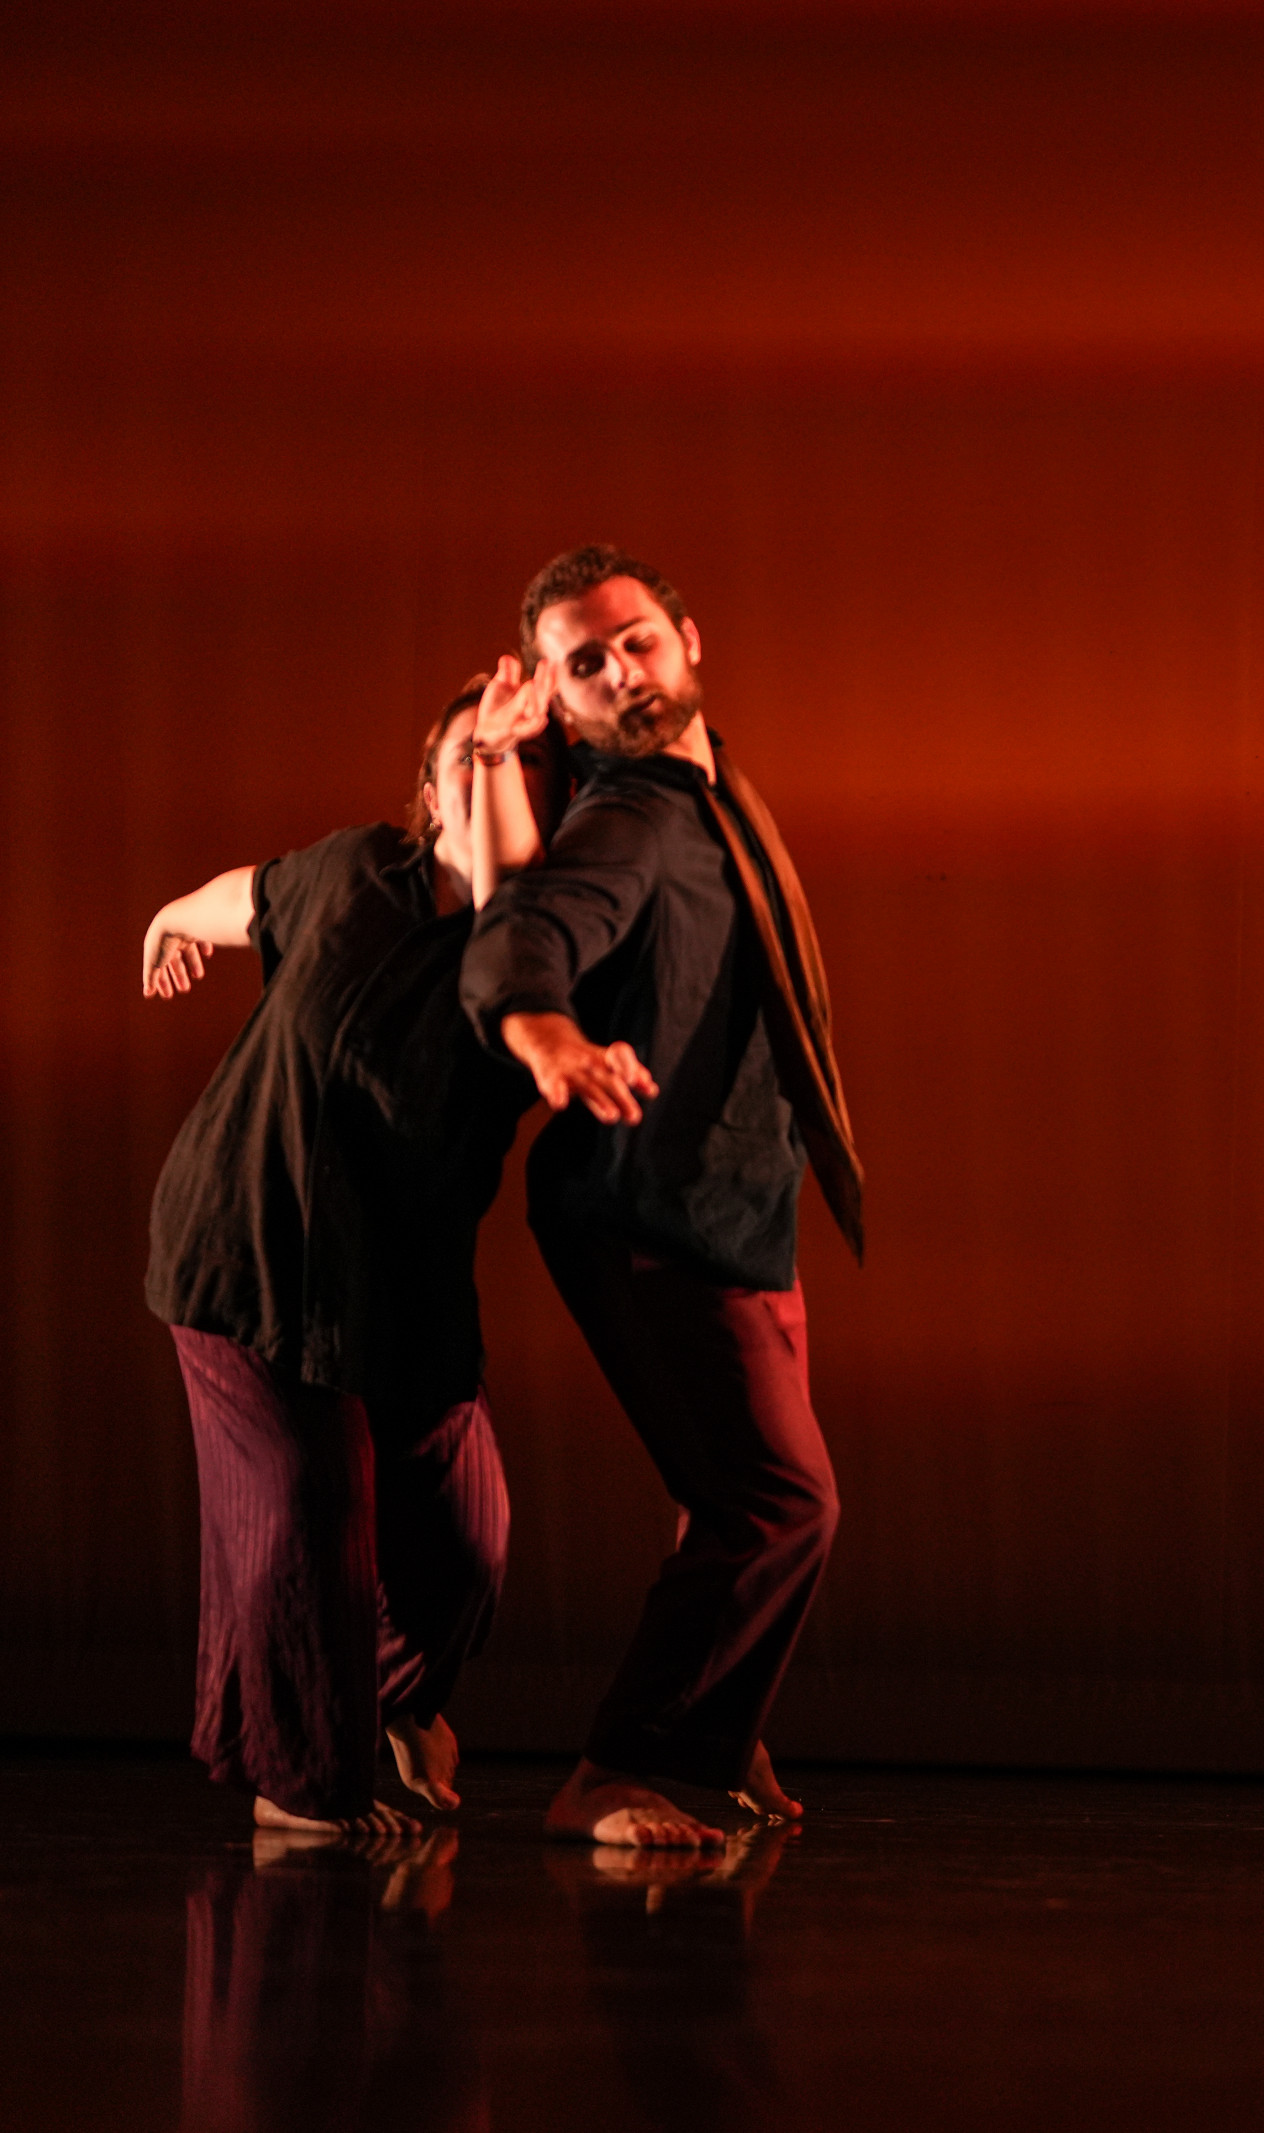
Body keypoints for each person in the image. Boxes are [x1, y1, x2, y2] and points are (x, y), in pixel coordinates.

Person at [462, 544, 863, 1849]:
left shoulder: (709, 786)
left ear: (689, 640)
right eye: (587, 662)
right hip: (649, 1216)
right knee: (779, 1501)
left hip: (741, 1202)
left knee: (729, 1500)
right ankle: (616, 1771)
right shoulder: (629, 818)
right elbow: (528, 931)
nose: (622, 672)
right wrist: (543, 1034)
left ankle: (717, 1727)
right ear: (559, 696)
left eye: (634, 641)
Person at [141, 673, 567, 1836]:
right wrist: (174, 915)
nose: (490, 787)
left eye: (520, 767)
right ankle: (301, 1784)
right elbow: (254, 896)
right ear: (429, 792)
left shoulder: (538, 953)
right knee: (302, 1513)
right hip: (249, 1246)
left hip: (399, 1285)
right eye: (469, 765)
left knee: (466, 1538)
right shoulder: (352, 870)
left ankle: (379, 1711)